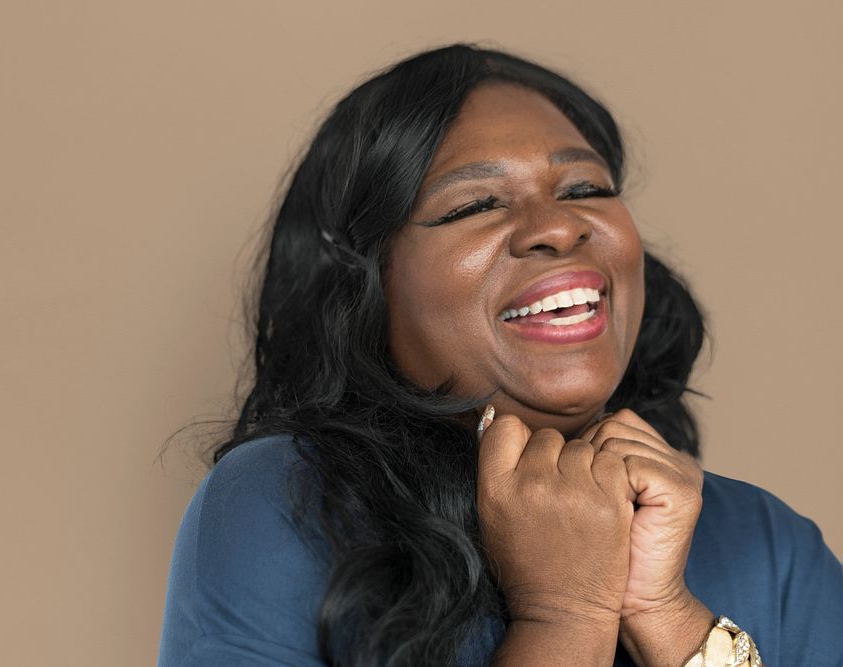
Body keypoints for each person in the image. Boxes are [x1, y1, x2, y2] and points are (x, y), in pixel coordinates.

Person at [156, 44, 843, 666]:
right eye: (475, 204)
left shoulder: (766, 542)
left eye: (585, 190)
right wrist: (565, 616)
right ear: (368, 284)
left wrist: (667, 617)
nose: (558, 225)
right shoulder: (283, 503)